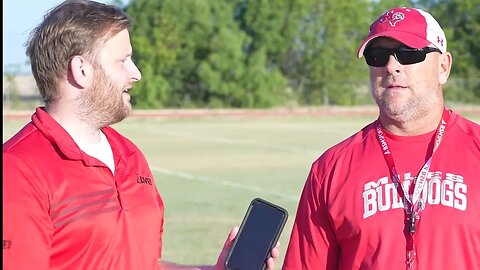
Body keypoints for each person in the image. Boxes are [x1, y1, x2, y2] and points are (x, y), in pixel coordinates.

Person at [2, 1, 279, 269]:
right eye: (123, 60)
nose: (136, 73)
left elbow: (145, 265)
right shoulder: (17, 168)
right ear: (81, 69)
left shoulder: (130, 156)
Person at [282, 7, 480, 270]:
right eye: (377, 56)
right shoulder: (330, 170)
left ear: (443, 67)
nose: (391, 66)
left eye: (409, 54)